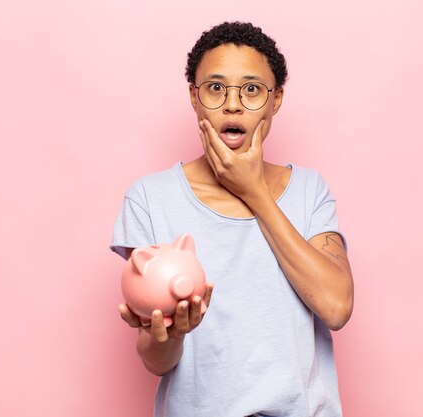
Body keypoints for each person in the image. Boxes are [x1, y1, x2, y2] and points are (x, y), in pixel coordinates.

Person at [111, 21, 354, 417]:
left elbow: (336, 306)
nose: (233, 104)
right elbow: (156, 359)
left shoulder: (310, 191)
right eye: (216, 87)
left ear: (276, 100)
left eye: (253, 89)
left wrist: (252, 190)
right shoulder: (150, 198)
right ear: (194, 96)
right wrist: (168, 336)